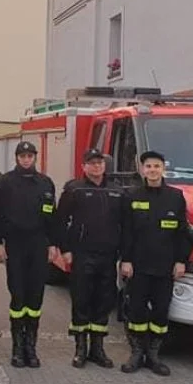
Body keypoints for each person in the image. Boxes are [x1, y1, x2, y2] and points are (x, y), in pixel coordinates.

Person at [120, 150, 193, 376]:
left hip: (165, 267)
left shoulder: (175, 197)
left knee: (161, 313)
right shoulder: (131, 196)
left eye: (157, 166)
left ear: (163, 169)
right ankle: (136, 354)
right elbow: (126, 232)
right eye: (148, 166)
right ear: (142, 170)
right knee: (136, 312)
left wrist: (181, 261)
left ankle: (153, 356)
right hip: (138, 267)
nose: (152, 170)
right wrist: (126, 260)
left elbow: (183, 233)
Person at [54, 148, 125, 368]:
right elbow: (60, 221)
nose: (97, 167)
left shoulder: (117, 191)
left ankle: (98, 349)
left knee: (103, 301)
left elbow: (125, 225)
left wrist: (122, 253)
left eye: (100, 163)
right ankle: (80, 349)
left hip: (107, 256)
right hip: (82, 254)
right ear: (84, 166)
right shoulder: (74, 189)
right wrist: (65, 250)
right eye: (92, 163)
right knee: (81, 300)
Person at [0, 141, 58, 368]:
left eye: (30, 156)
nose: (26, 159)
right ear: (17, 158)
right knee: (18, 296)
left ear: (35, 158)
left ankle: (31, 346)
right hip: (15, 245)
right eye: (23, 156)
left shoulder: (46, 183)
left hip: (38, 245)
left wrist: (53, 244)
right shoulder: (5, 184)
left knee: (35, 297)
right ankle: (17, 347)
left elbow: (52, 216)